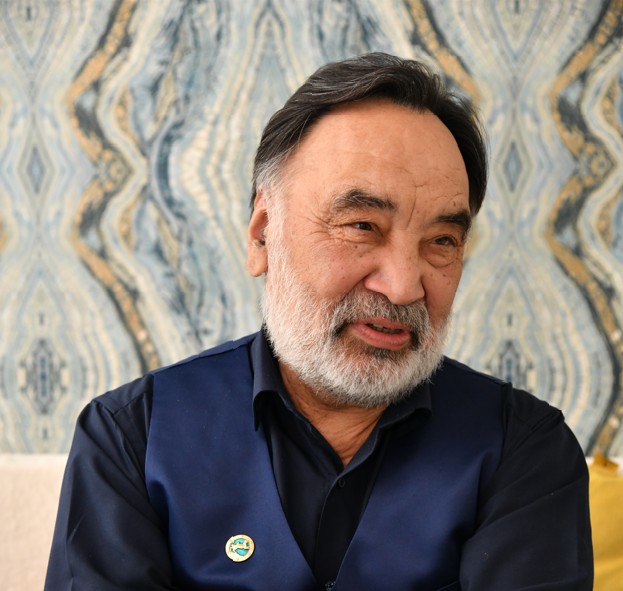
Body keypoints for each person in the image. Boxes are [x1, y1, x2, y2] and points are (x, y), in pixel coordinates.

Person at [45, 53, 592, 590]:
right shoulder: (131, 438)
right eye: (361, 226)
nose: (404, 286)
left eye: (442, 240)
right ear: (262, 234)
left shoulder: (524, 450)